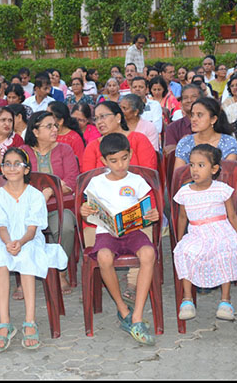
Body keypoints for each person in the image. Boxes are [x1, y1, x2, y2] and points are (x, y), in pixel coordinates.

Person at [0, 147, 67, 352]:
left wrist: (20, 242)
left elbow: (33, 228)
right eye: (7, 164)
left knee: (27, 257)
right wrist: (8, 242)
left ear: (26, 169)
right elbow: (0, 225)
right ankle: (4, 323)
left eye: (17, 164)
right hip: (3, 240)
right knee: (0, 260)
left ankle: (30, 321)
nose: (12, 168)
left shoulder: (35, 195)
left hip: (30, 240)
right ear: (2, 169)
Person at [79, 133, 160, 345]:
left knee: (148, 253)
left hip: (133, 231)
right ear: (104, 161)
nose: (120, 165)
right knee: (104, 257)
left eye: (124, 158)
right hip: (106, 232)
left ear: (130, 154)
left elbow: (148, 208)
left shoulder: (137, 181)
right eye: (113, 161)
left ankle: (137, 316)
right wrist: (84, 212)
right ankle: (123, 309)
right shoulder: (96, 183)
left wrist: (153, 214)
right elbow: (87, 213)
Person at [174, 144, 237, 321]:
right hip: (197, 233)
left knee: (225, 252)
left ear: (214, 169)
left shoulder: (221, 189)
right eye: (192, 165)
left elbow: (233, 216)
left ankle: (225, 301)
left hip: (222, 231)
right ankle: (187, 299)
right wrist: (179, 240)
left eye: (201, 165)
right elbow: (182, 218)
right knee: (184, 252)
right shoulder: (184, 192)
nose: (194, 169)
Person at [20, 111, 79, 294]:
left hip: (58, 207)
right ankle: (23, 276)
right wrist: (41, 194)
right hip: (27, 209)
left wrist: (51, 191)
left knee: (66, 227)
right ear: (35, 131)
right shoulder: (23, 152)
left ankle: (60, 271)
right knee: (15, 227)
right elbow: (16, 181)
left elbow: (71, 181)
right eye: (49, 126)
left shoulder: (65, 150)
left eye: (55, 125)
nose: (55, 129)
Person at [174, 98, 237, 172]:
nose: (193, 119)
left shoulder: (228, 142)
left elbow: (228, 173)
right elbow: (179, 175)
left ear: (213, 119)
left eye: (199, 115)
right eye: (192, 115)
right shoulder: (185, 142)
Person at [47, 101, 85, 166]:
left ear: (60, 121)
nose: (45, 118)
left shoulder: (74, 139)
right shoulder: (46, 134)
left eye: (49, 116)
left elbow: (80, 164)